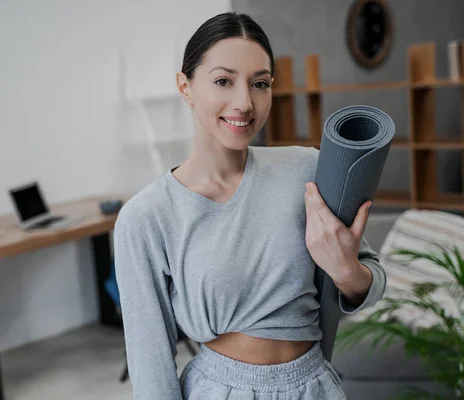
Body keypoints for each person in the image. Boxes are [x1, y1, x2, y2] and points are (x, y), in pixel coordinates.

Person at [113, 11, 386, 400]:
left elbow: (372, 282)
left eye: (260, 83)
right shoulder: (147, 216)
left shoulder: (308, 169)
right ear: (185, 86)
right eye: (223, 81)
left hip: (315, 386)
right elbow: (150, 364)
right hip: (220, 390)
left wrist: (348, 272)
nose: (244, 102)